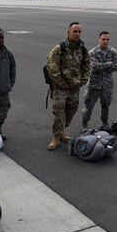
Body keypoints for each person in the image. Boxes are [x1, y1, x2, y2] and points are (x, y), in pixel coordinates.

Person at [46, 22, 91, 150]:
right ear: (68, 32)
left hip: (74, 88)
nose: (77, 34)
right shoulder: (60, 48)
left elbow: (87, 66)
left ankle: (62, 132)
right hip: (61, 88)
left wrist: (82, 81)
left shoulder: (82, 49)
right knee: (59, 113)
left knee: (71, 110)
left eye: (79, 32)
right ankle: (55, 137)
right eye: (75, 31)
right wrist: (62, 84)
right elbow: (52, 68)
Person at [81, 31, 117, 131]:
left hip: (107, 84)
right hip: (94, 84)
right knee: (89, 105)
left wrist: (101, 65)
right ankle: (84, 123)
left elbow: (116, 67)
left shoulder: (113, 52)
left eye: (107, 39)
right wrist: (108, 64)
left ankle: (105, 122)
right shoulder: (92, 52)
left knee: (106, 104)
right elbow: (94, 67)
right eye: (103, 39)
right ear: (99, 39)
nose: (105, 41)